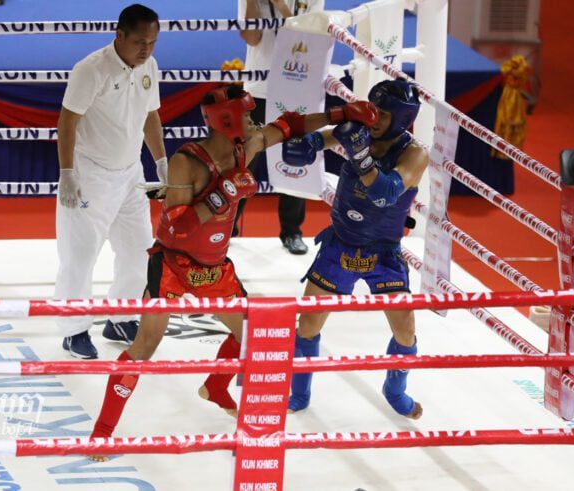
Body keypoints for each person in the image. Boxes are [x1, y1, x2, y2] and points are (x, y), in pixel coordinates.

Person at [88, 84, 378, 460]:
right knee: (145, 346)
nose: (252, 120)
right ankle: (102, 431)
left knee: (253, 336)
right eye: (245, 114)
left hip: (214, 267)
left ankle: (217, 387)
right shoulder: (186, 161)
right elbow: (175, 227)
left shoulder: (248, 145)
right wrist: (221, 195)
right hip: (173, 265)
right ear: (227, 121)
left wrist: (342, 114)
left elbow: (288, 126)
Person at [283, 79, 427, 419]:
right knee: (308, 325)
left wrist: (360, 154)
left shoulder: (414, 153)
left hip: (384, 253)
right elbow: (299, 149)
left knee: (405, 330)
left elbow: (386, 193)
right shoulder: (357, 129)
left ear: (402, 118)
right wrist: (322, 129)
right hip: (341, 245)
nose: (374, 121)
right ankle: (299, 394)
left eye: (383, 116)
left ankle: (395, 390)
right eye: (373, 112)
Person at [55, 4, 168, 359]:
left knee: (139, 252)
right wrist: (67, 173)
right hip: (90, 176)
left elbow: (151, 116)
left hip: (131, 174)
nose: (146, 49)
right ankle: (73, 330)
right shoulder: (91, 69)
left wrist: (162, 163)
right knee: (80, 255)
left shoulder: (149, 66)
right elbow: (67, 121)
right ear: (119, 35)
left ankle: (120, 317)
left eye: (152, 42)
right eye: (139, 41)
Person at [235, 0, 324, 255]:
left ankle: (292, 231)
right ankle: (228, 223)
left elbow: (309, 38)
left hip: (297, 84)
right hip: (258, 86)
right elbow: (251, 38)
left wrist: (281, 5)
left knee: (295, 159)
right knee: (244, 159)